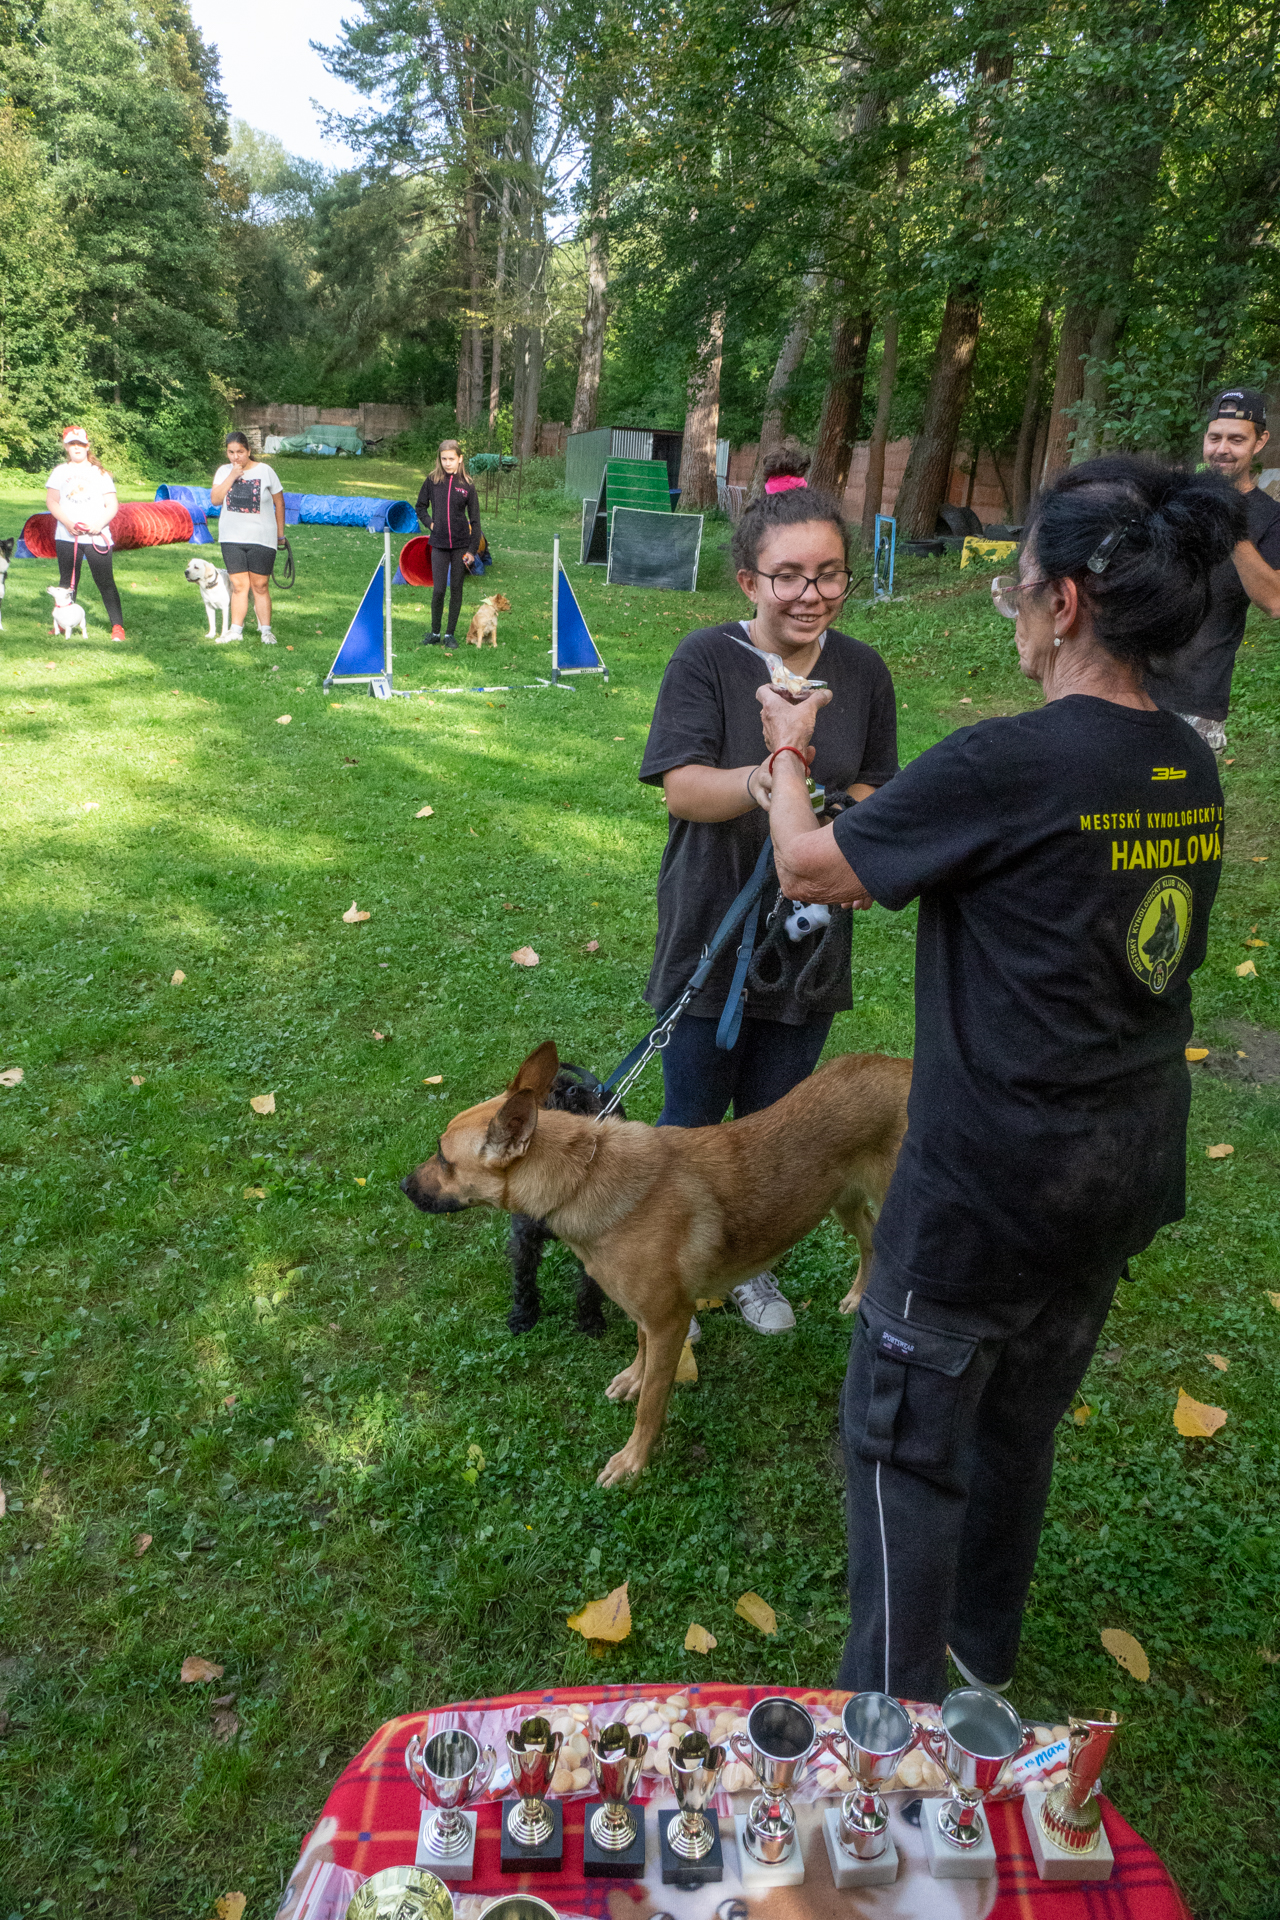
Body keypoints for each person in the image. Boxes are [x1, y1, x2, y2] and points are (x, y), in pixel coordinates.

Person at [755, 454, 1242, 1701]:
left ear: (1063, 602)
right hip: (1118, 1170)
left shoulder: (1006, 759)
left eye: (1014, 588)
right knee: (1016, 1424)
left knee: (901, 1445)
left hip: (989, 1183)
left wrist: (788, 752)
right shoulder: (1186, 763)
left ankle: (889, 1724)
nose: (1011, 613)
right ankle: (977, 1667)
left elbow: (809, 869)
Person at [637, 481, 898, 1334]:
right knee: (689, 1119)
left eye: (830, 573)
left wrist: (832, 813)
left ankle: (750, 1265)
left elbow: (878, 784)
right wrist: (769, 776)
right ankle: (668, 1271)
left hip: (810, 940)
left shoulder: (863, 672)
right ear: (749, 580)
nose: (810, 593)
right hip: (710, 927)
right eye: (788, 575)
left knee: (776, 1127)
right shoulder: (705, 660)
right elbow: (682, 788)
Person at [1146, 387, 1280, 751]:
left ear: (1260, 442)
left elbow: (1274, 601)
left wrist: (1230, 525)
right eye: (1214, 437)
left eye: (1237, 439)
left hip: (1196, 697)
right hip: (1129, 683)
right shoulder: (1172, 497)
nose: (1222, 449)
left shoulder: (1271, 517)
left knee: (1181, 788)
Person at [45, 427, 126, 642]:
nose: (77, 448)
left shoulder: (99, 473)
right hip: (66, 536)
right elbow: (51, 501)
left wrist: (99, 524)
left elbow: (112, 504)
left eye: (80, 444)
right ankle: (63, 624)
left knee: (105, 582)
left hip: (96, 537)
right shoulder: (59, 472)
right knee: (67, 582)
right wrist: (67, 523)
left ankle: (117, 626)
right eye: (72, 444)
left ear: (87, 446)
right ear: (66, 447)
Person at [210, 432, 285, 644]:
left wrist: (280, 535)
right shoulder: (223, 471)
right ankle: (236, 630)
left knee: (260, 586)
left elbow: (280, 502)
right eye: (231, 452)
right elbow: (215, 500)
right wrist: (232, 476)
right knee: (238, 586)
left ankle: (266, 631)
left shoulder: (265, 471)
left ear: (249, 451)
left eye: (240, 452)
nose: (236, 457)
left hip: (262, 537)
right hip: (231, 537)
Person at [415, 441, 482, 649]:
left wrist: (472, 550)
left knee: (456, 589)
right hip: (439, 544)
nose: (447, 463)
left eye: (451, 459)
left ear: (460, 459)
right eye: (443, 459)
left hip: (461, 545)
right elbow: (420, 507)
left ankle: (449, 634)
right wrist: (430, 524)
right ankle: (435, 632)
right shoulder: (432, 480)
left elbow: (475, 521)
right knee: (438, 590)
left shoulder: (467, 484)